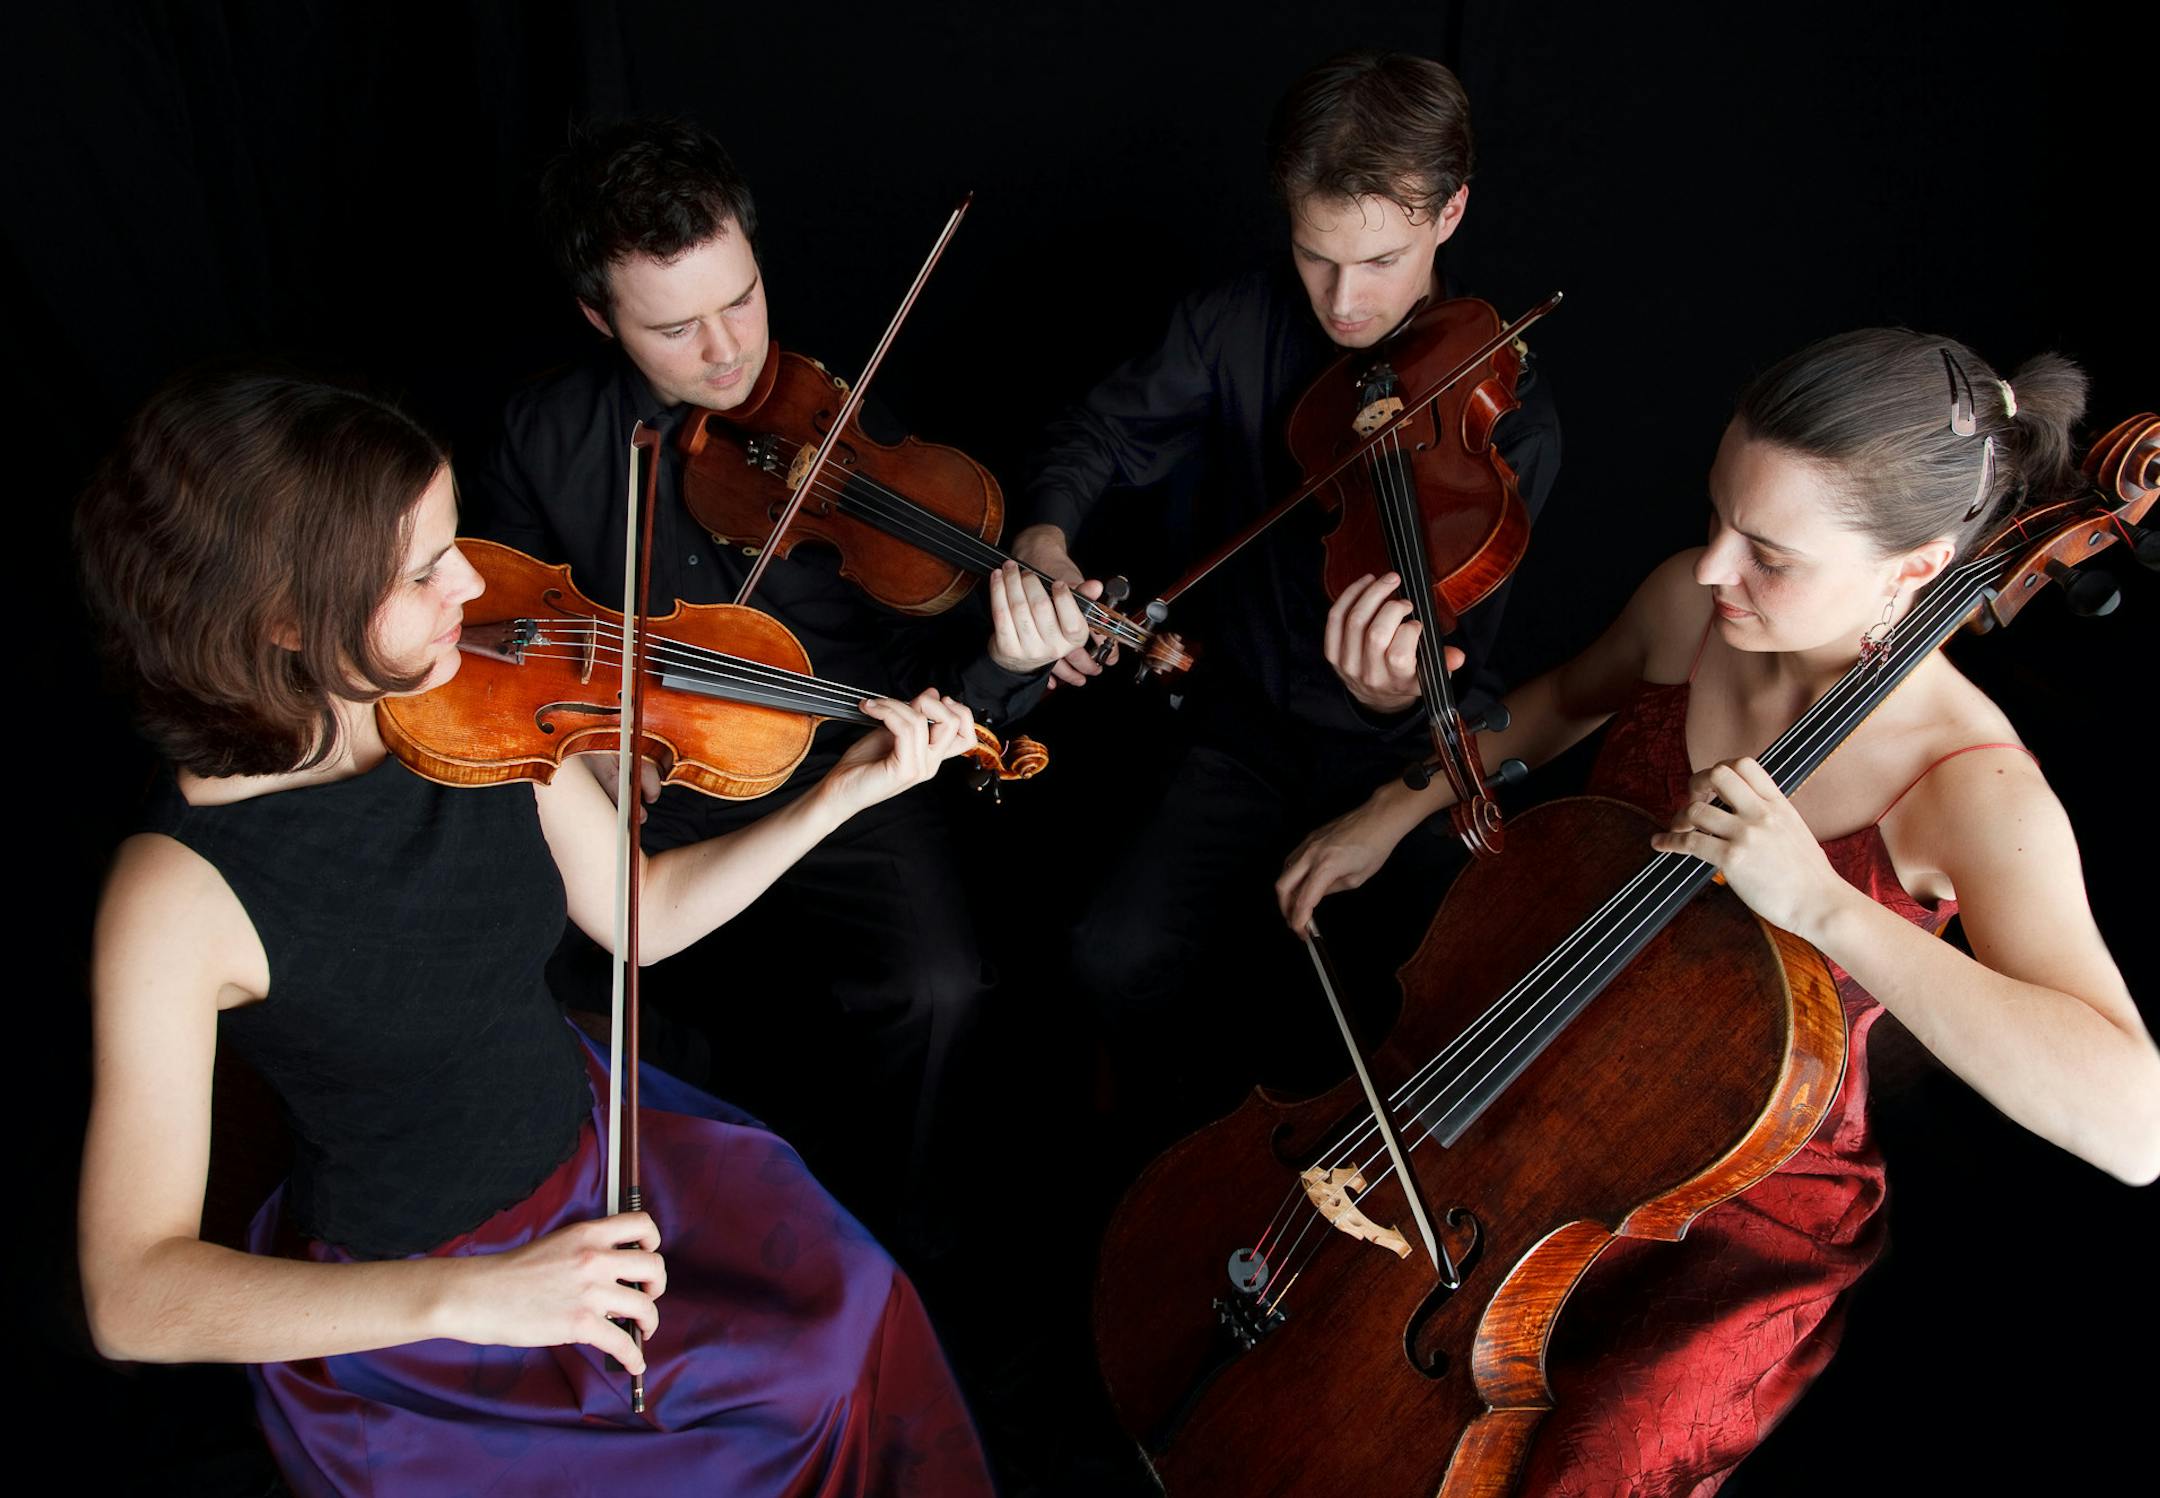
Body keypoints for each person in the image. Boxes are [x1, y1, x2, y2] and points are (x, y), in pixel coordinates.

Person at [74, 367, 997, 1497]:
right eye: (422, 571)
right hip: (430, 1306)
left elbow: (641, 918)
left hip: (605, 1152)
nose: (471, 579)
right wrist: (487, 1295)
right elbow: (131, 1297)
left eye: (451, 541)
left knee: (852, 1320)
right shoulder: (175, 894)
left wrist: (839, 795)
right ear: (280, 619)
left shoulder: (474, 692)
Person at [1278, 327, 2160, 1494]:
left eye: (1770, 553)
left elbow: (2134, 1122)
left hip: (1732, 1205)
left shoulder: (1973, 787)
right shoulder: (1690, 615)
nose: (1709, 568)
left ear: (1918, 565)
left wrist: (1825, 908)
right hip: (1531, 1070)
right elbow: (1555, 702)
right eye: (1717, 517)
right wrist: (1397, 804)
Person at [461, 117, 1091, 1235]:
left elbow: (923, 670)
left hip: (830, 766)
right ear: (598, 318)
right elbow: (508, 633)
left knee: (938, 987)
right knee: (553, 995)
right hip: (637, 782)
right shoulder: (541, 436)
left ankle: (873, 1254)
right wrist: (591, 746)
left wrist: (1006, 659)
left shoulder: (830, 413)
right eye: (673, 327)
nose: (727, 352)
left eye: (741, 298)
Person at [1014, 51, 1561, 1125]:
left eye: (1382, 262)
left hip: (1400, 770)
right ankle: (1168, 1160)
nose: (1346, 303)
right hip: (1239, 733)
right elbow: (1096, 433)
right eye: (1316, 258)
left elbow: (1470, 678)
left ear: (1452, 210)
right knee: (1110, 955)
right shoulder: (1237, 320)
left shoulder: (1509, 419)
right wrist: (1044, 537)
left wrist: (1394, 696)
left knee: (1432, 1014)